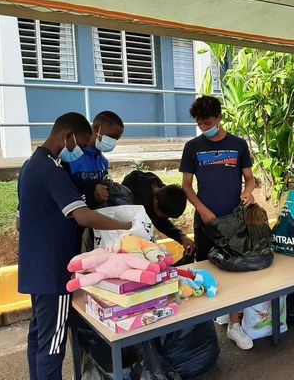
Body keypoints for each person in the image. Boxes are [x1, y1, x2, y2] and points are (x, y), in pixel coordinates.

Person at [17, 112, 137, 380]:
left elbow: (19, 223)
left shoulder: (29, 166)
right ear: (68, 137)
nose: (80, 150)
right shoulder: (53, 170)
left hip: (33, 267)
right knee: (53, 343)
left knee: (38, 337)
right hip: (54, 271)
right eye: (80, 144)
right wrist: (125, 226)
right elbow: (82, 215)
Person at [180, 95, 256, 350]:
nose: (204, 128)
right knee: (205, 270)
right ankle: (207, 330)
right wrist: (201, 209)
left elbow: (250, 178)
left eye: (208, 123)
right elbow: (187, 186)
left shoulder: (238, 144)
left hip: (233, 219)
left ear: (219, 118)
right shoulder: (192, 147)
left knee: (235, 270)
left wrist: (249, 191)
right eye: (200, 124)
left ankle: (235, 325)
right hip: (205, 220)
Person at [121, 170, 194, 256]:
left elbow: (161, 220)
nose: (164, 218)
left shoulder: (161, 190)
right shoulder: (142, 203)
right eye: (164, 215)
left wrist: (181, 237)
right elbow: (159, 222)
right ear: (155, 203)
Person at [63, 110, 124, 208]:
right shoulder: (70, 156)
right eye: (111, 137)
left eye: (117, 139)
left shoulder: (103, 161)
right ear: (96, 128)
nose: (113, 142)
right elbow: (63, 194)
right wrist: (91, 195)